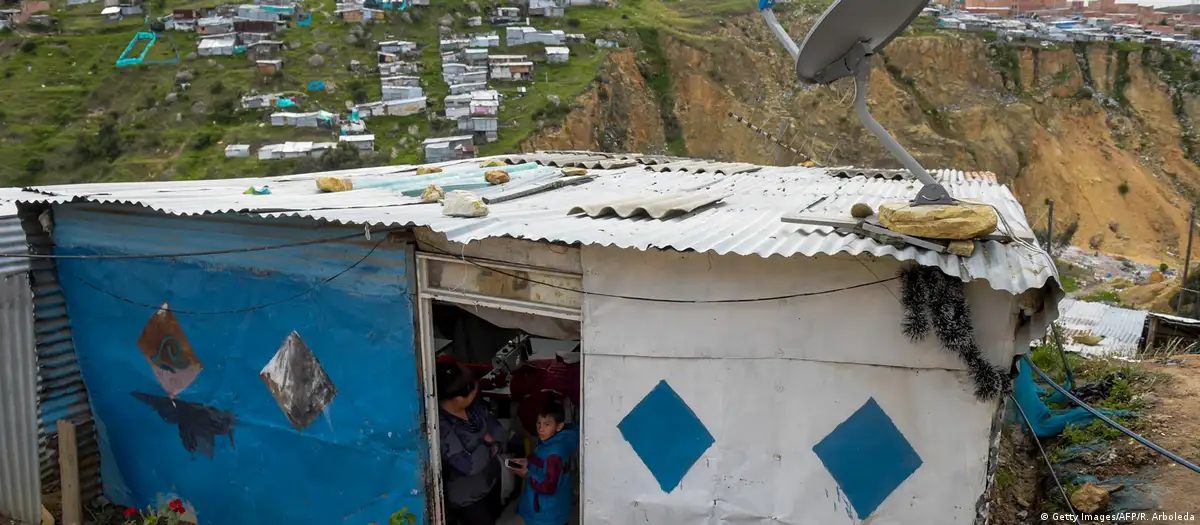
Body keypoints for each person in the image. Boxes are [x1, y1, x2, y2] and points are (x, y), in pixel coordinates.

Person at [438, 362, 506, 525]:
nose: (476, 393)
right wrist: (490, 445)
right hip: (469, 498)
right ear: (457, 398)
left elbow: (500, 432)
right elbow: (469, 465)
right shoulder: (442, 426)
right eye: (472, 392)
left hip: (491, 482)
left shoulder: (474, 408)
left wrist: (488, 444)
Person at [510, 398, 579, 525]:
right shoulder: (553, 441)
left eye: (547, 424)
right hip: (553, 509)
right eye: (538, 423)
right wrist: (528, 461)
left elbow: (548, 486)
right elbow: (541, 459)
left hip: (546, 515)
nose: (541, 429)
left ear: (559, 426)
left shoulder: (554, 453)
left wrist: (527, 474)